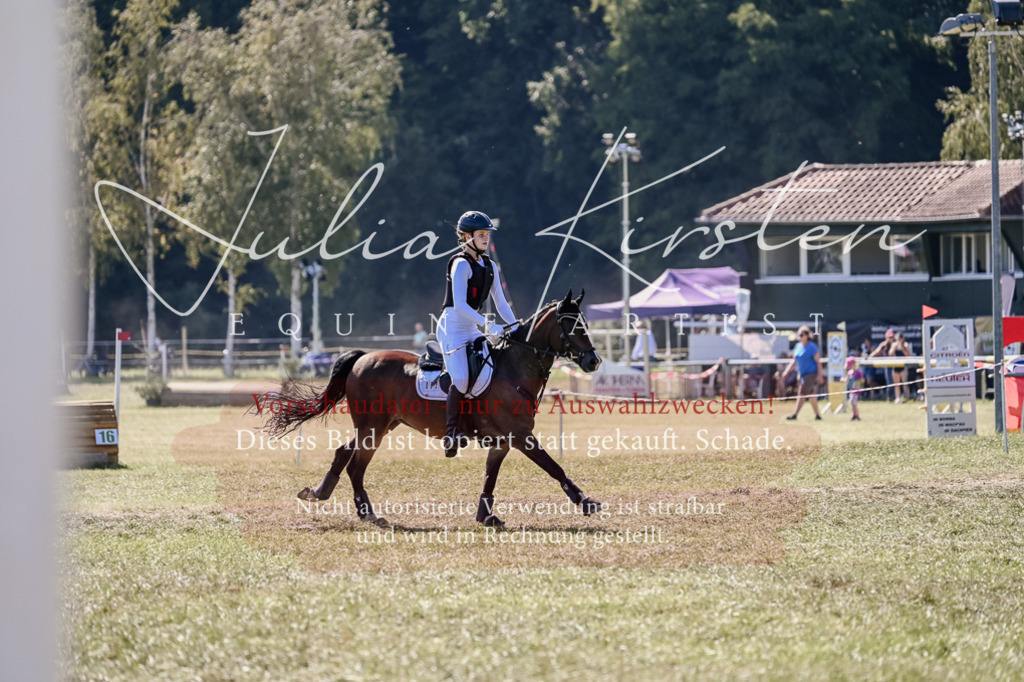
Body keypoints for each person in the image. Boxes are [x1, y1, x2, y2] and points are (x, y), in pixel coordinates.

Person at [437, 211, 519, 458]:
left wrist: (516, 326)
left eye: (487, 234)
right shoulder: (460, 264)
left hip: (471, 328)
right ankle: (451, 433)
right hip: (452, 328)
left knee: (491, 371)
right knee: (462, 380)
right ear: (466, 237)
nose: (486, 238)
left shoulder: (490, 266)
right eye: (481, 234)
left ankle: (483, 425)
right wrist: (488, 324)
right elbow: (460, 305)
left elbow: (501, 303)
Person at [782, 326, 822, 421]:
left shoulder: (812, 347)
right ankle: (818, 415)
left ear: (807, 335)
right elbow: (794, 361)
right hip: (801, 374)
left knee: (802, 392)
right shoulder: (798, 346)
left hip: (811, 373)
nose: (800, 336)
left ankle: (795, 414)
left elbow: (818, 362)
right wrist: (786, 371)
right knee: (811, 394)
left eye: (802, 335)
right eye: (799, 335)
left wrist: (820, 376)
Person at [869, 328, 897, 401]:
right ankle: (890, 397)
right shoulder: (883, 345)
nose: (891, 339)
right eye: (889, 337)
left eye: (892, 337)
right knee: (889, 382)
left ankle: (898, 397)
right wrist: (869, 357)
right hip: (888, 365)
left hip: (897, 365)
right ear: (886, 337)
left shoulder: (896, 344)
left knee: (897, 382)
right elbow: (876, 352)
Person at [888, 331, 912, 403]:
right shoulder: (894, 345)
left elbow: (908, 355)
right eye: (898, 339)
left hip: (903, 365)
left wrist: (902, 348)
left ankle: (907, 397)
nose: (900, 340)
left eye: (901, 339)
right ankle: (897, 398)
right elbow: (890, 354)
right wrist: (894, 348)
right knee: (897, 384)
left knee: (905, 383)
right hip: (896, 365)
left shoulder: (906, 345)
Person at [845, 355, 863, 421]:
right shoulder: (849, 373)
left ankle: (857, 415)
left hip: (856, 390)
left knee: (853, 401)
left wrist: (858, 384)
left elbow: (862, 380)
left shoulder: (858, 372)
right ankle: (854, 414)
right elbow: (846, 380)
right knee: (852, 402)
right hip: (851, 390)